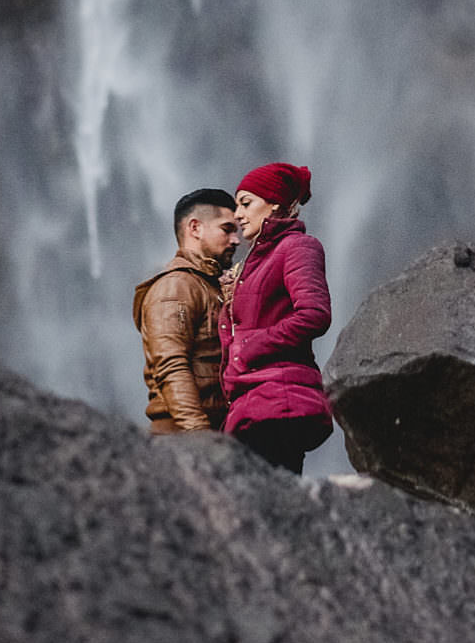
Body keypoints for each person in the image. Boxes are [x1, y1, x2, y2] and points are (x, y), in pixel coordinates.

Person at [220, 161, 333, 473]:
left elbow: (315, 313)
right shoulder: (253, 263)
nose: (237, 215)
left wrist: (252, 347)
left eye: (246, 203)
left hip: (279, 401)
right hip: (252, 403)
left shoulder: (297, 247)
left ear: (275, 204)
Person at [133, 188, 240, 434]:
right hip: (182, 439)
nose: (236, 240)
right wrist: (200, 436)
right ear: (195, 228)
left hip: (211, 435)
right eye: (227, 229)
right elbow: (171, 364)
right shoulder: (176, 286)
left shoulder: (208, 285)